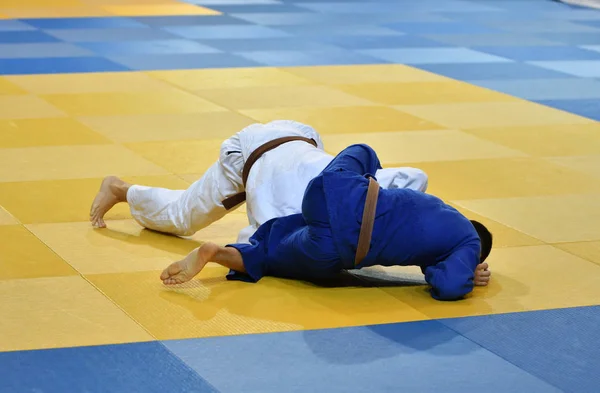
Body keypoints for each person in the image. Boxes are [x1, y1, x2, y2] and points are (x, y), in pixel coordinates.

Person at [160, 144, 493, 301]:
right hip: (336, 250)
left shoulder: (446, 213)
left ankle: (213, 251)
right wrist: (451, 271)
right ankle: (219, 253)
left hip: (332, 193)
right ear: (477, 255)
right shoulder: (468, 244)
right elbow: (450, 287)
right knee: (275, 257)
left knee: (364, 150)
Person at [90, 120, 428, 244]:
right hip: (246, 154)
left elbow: (417, 177)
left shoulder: (367, 191)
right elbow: (250, 241)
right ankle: (120, 188)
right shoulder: (286, 215)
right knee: (182, 218)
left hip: (302, 137)